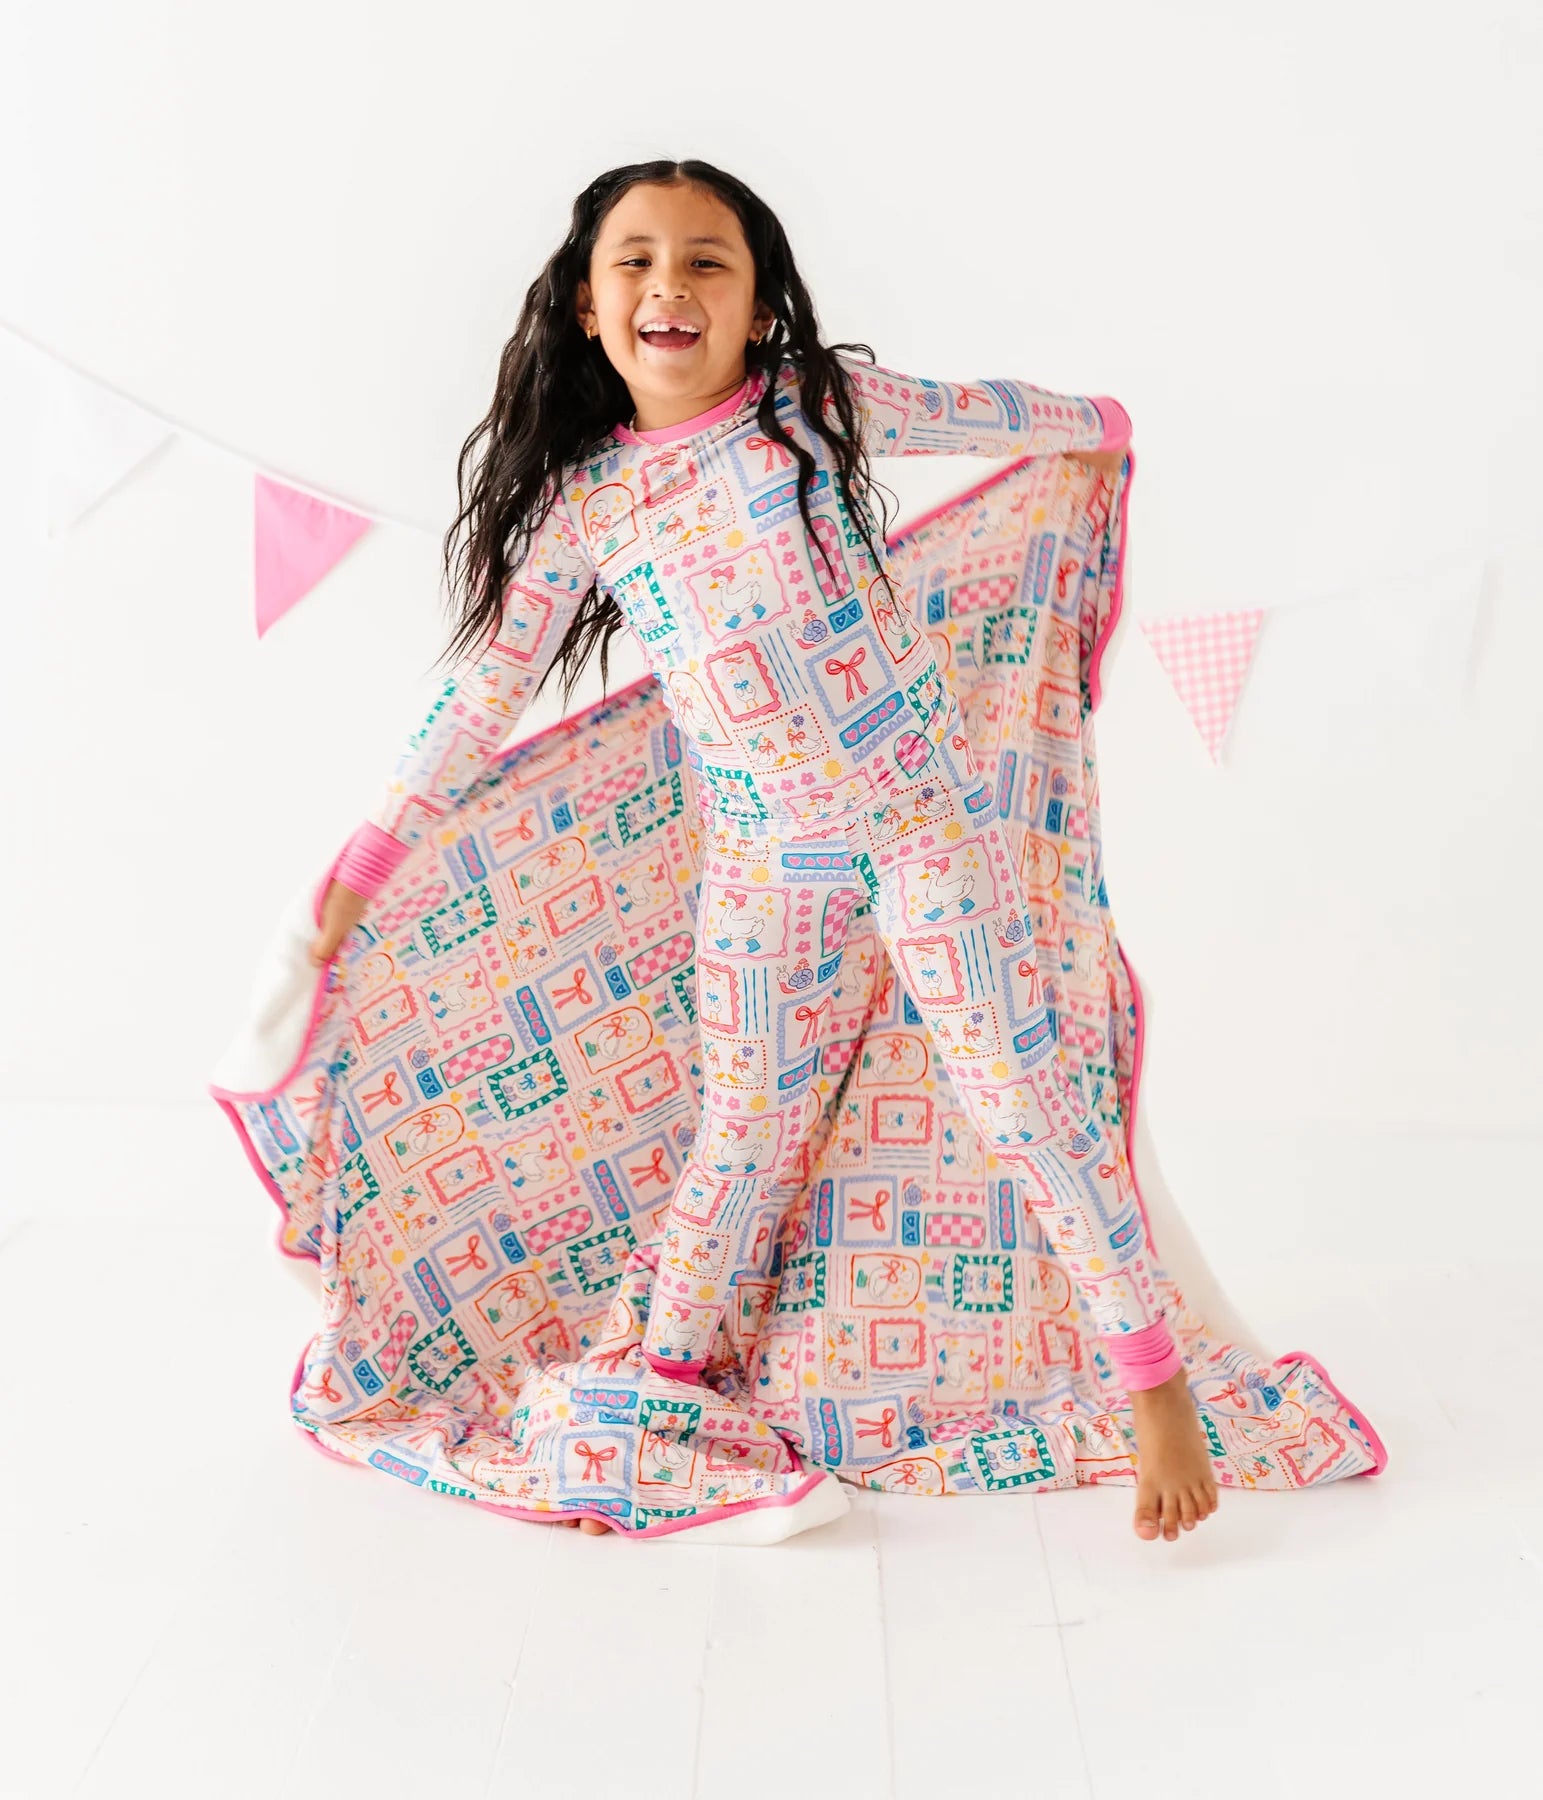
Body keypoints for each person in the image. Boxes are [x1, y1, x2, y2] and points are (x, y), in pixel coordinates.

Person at [308, 158, 1219, 1545]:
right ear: (586, 304)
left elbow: (981, 410)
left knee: (1020, 1088)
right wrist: (369, 861)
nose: (668, 283)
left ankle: (1153, 1380)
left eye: (706, 260)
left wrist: (1100, 426)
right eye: (635, 260)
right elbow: (484, 694)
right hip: (766, 862)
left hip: (924, 824)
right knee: (745, 1134)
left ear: (758, 302)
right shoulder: (588, 505)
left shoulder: (813, 408)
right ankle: (663, 1387)